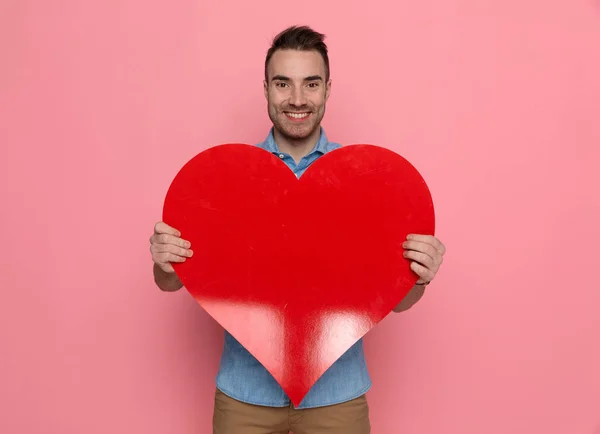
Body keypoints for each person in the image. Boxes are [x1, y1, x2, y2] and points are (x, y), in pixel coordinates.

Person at [149, 25, 446, 434]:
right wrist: (165, 263)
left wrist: (418, 275)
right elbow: (172, 282)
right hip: (244, 399)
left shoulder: (365, 181)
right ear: (266, 89)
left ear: (327, 89)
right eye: (282, 83)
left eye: (311, 83)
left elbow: (398, 301)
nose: (297, 99)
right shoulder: (227, 181)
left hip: (336, 399)